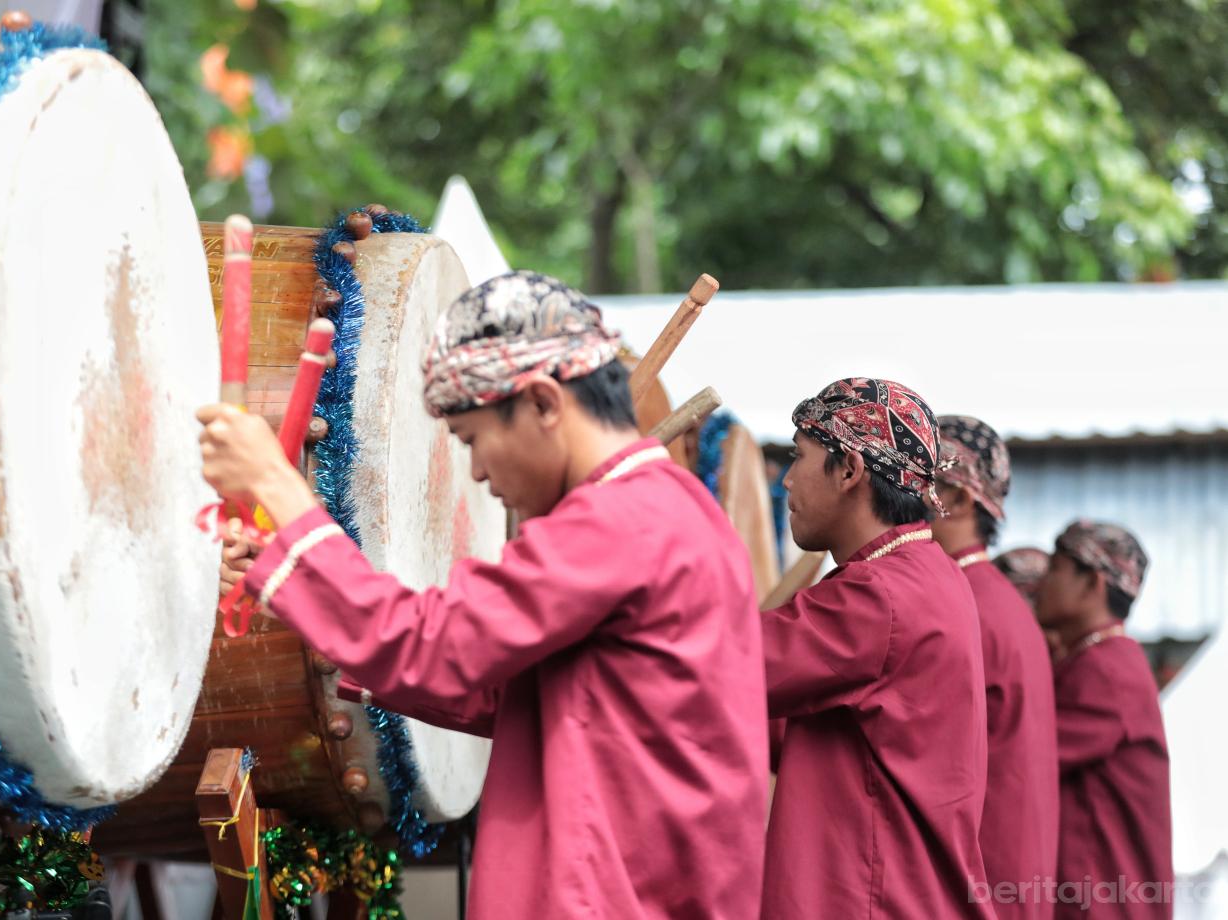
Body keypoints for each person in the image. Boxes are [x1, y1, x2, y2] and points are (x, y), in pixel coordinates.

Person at [201, 270, 769, 918]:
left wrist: (278, 485)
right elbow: (506, 688)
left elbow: (433, 645)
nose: (474, 471)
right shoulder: (674, 509)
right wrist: (287, 576)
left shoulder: (619, 522)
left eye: (473, 439)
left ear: (544, 404)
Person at [759, 378, 994, 919]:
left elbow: (729, 661)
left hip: (873, 901)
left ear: (849, 471)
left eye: (799, 457)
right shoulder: (928, 573)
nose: (787, 481)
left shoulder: (879, 596)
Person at [933, 415, 1058, 918]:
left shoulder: (961, 601)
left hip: (984, 885)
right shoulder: (989, 596)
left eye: (918, 482)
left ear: (961, 500)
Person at [1034, 521, 1172, 919]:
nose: (1042, 582)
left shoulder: (1107, 671)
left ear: (1093, 583)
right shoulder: (1097, 660)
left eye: (1055, 569)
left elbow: (1024, 755)